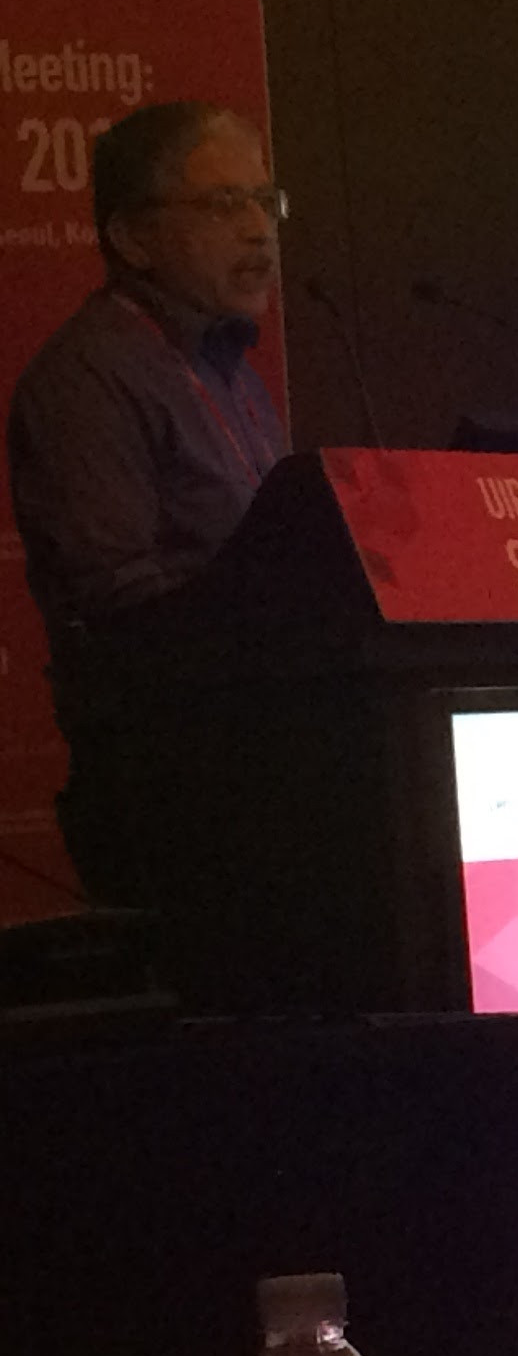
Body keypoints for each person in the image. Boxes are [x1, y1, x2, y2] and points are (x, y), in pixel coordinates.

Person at [6, 101, 288, 902]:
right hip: (169, 787)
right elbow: (119, 603)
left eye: (263, 201)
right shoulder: (86, 380)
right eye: (223, 204)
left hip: (262, 762)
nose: (258, 231)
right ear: (133, 238)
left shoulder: (232, 373)